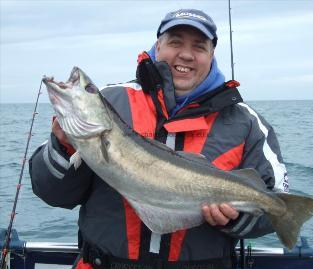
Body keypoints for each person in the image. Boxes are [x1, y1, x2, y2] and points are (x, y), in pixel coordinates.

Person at [29, 8, 288, 269]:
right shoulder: (109, 99)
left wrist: (236, 218)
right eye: (175, 42)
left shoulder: (247, 123)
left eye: (199, 46)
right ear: (158, 45)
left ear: (211, 55)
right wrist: (63, 147)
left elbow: (275, 206)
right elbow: (52, 194)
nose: (186, 54)